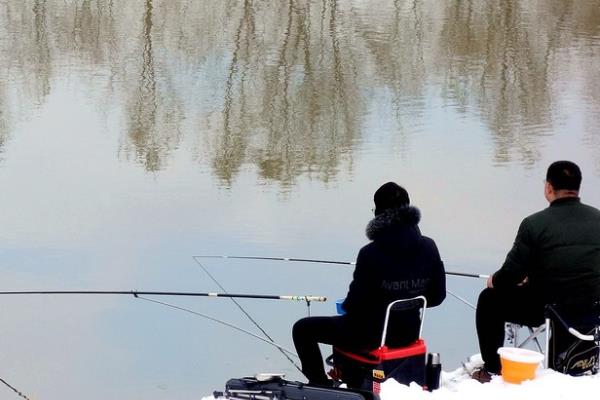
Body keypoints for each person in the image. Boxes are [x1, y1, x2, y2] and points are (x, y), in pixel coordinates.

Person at [292, 182, 446, 386]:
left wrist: (350, 306)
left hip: (370, 335)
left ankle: (321, 385)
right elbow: (437, 296)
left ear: (378, 213)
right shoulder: (429, 246)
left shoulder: (370, 253)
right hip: (409, 332)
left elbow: (353, 306)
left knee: (302, 329)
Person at [472, 161, 600, 383]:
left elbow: (511, 274)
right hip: (593, 307)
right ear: (577, 187)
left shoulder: (534, 224)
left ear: (549, 188)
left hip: (547, 308)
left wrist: (495, 281)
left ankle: (492, 369)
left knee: (489, 300)